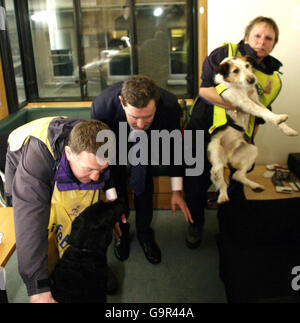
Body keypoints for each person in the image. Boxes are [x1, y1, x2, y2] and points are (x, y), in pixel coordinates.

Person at [184, 16, 282, 248]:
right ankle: (196, 224)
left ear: (273, 44)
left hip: (236, 138)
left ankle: (226, 226)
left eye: (269, 38)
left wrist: (249, 140)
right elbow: (205, 90)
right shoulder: (223, 54)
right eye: (257, 35)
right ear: (247, 36)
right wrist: (239, 105)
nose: (262, 42)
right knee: (195, 182)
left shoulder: (272, 78)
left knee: (232, 185)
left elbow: (261, 113)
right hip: (202, 130)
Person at [4, 117, 117, 303]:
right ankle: (48, 277)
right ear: (69, 153)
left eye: (100, 169)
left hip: (63, 161)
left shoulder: (99, 140)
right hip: (21, 158)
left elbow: (104, 171)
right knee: (41, 223)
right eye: (89, 169)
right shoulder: (36, 161)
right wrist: (37, 287)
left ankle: (87, 264)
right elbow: (30, 224)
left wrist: (112, 203)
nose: (96, 176)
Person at [91, 75, 192, 265]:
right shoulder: (102, 107)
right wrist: (112, 201)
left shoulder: (169, 106)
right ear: (122, 103)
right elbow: (103, 158)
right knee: (117, 182)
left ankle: (145, 234)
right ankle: (122, 231)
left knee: (143, 180)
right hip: (115, 140)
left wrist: (176, 190)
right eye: (135, 117)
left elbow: (174, 149)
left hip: (151, 140)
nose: (140, 124)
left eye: (147, 117)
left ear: (157, 105)